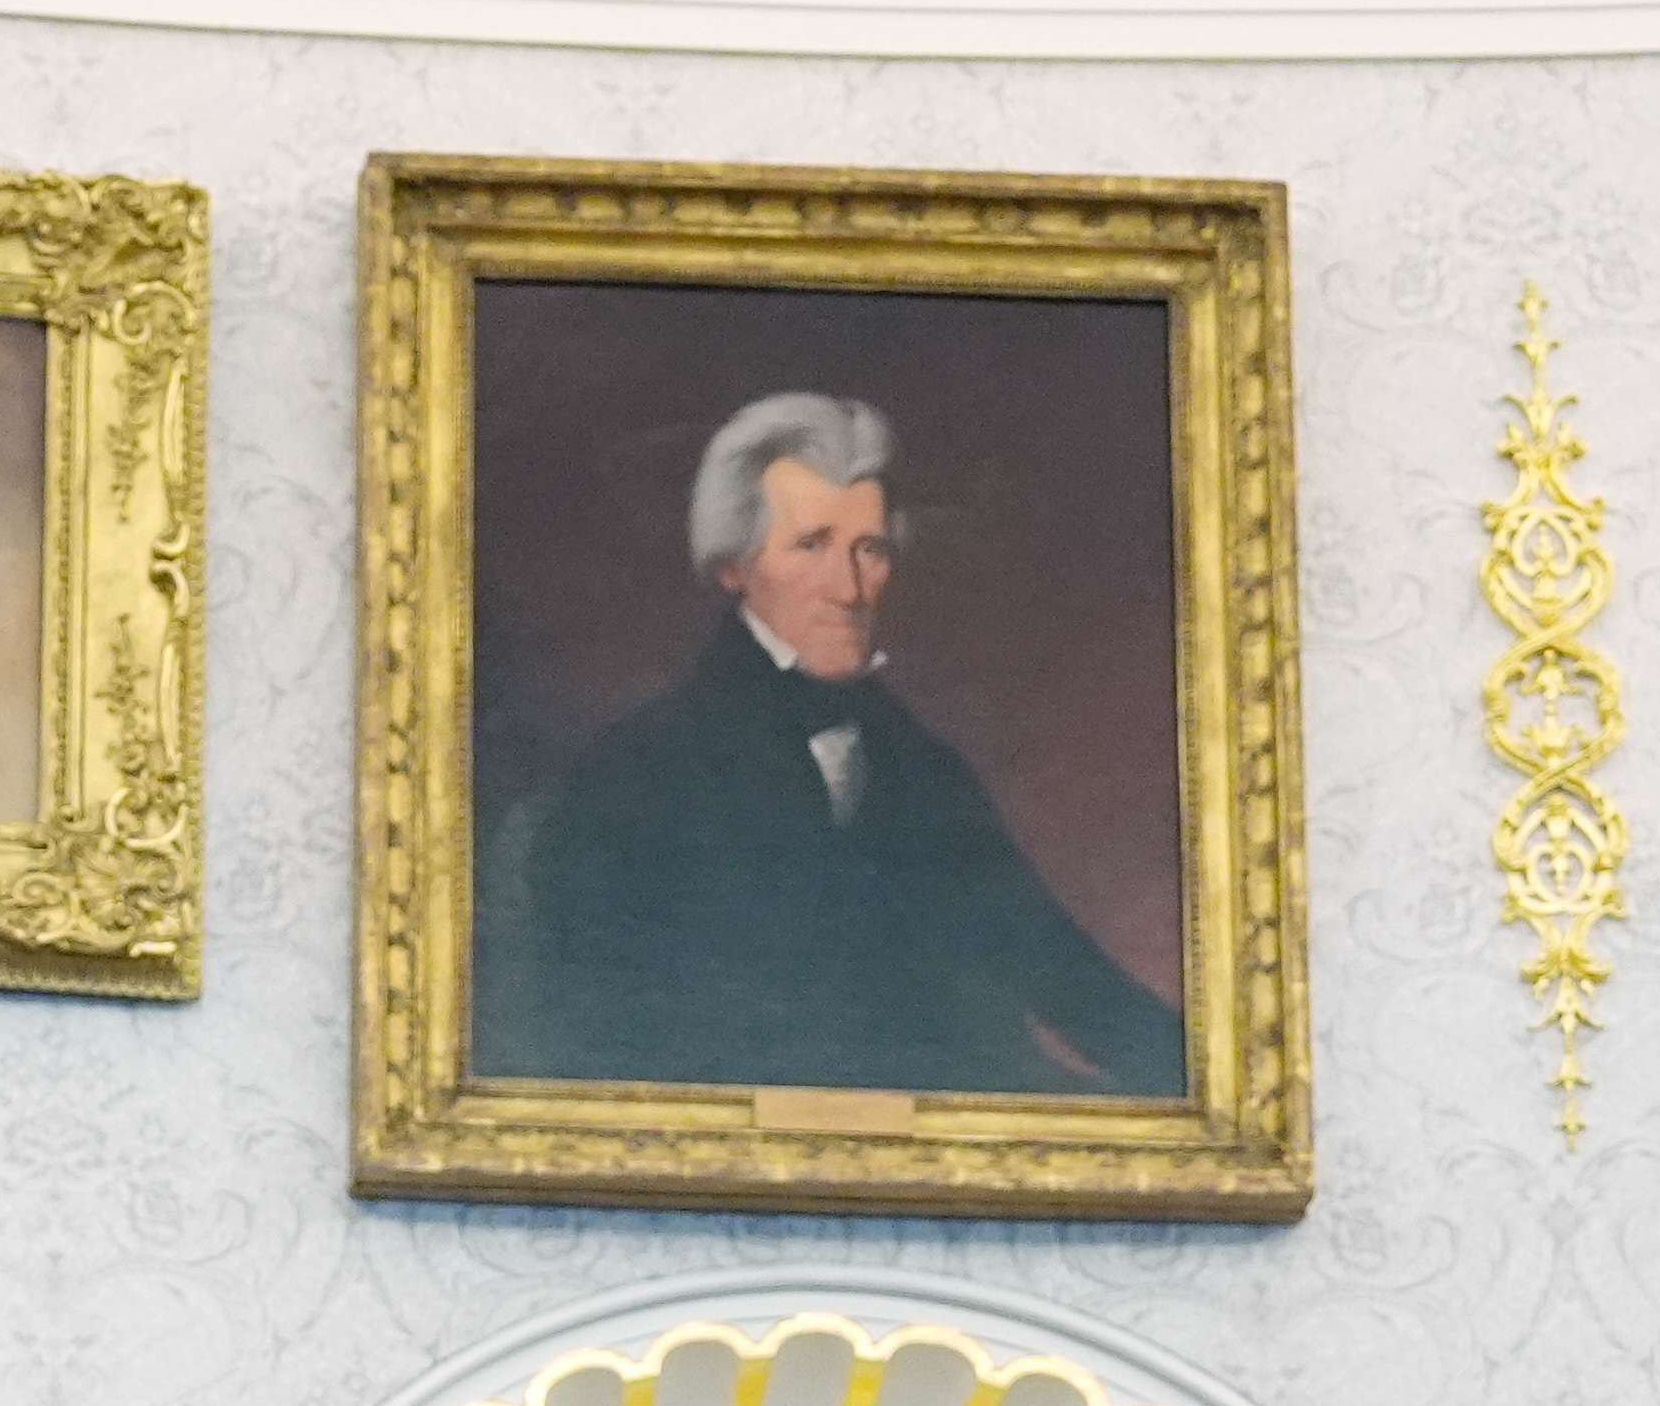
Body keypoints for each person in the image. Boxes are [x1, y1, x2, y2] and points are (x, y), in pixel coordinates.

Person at [501, 390, 1189, 1101]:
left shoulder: (918, 765)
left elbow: (1053, 962)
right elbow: (600, 1043)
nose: (851, 588)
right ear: (734, 566)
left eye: (871, 550)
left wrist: (1210, 1082)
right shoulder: (632, 780)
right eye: (812, 545)